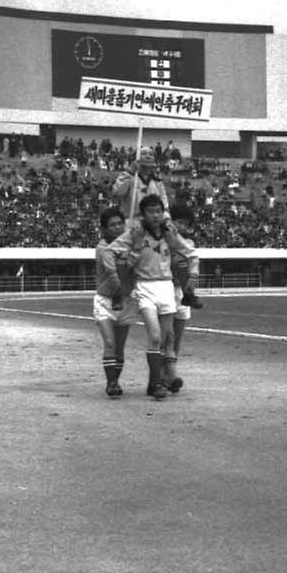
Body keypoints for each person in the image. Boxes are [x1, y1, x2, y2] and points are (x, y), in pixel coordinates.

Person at [109, 193, 193, 400]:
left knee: (167, 338)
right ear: (143, 214)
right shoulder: (136, 232)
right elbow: (111, 251)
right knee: (155, 336)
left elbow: (188, 251)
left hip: (166, 286)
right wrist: (129, 257)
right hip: (145, 286)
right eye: (150, 212)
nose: (155, 215)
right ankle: (156, 384)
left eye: (159, 211)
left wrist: (175, 242)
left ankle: (154, 383)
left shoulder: (168, 233)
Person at [93, 206, 137, 397]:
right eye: (113, 225)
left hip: (126, 301)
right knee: (110, 342)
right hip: (106, 300)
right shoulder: (103, 248)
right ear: (104, 229)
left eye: (121, 223)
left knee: (120, 347)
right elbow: (115, 272)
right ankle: (111, 383)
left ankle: (115, 380)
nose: (118, 228)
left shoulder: (131, 246)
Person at [165, 201, 202, 393]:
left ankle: (168, 375)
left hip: (181, 292)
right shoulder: (164, 241)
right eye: (177, 221)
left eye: (185, 223)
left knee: (177, 338)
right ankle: (167, 376)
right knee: (167, 336)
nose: (180, 226)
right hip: (165, 289)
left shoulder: (190, 245)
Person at [112, 146, 168, 219]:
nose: (148, 157)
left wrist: (167, 220)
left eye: (151, 154)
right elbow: (117, 193)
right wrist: (130, 171)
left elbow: (164, 204)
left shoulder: (157, 181)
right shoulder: (128, 177)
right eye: (143, 154)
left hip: (153, 223)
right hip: (132, 222)